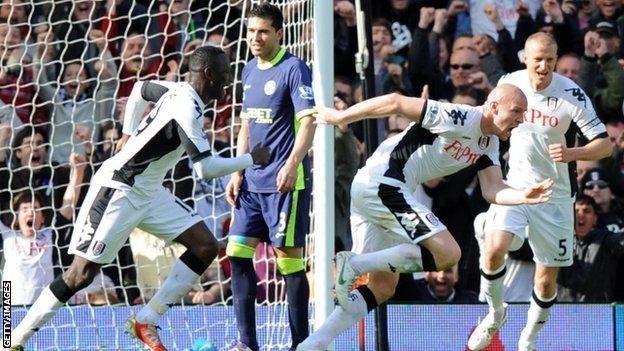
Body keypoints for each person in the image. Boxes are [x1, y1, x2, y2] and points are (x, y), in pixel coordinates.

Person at [8, 46, 271, 351]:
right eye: (224, 76)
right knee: (80, 274)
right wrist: (252, 159)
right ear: (209, 75)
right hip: (119, 190)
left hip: (149, 191)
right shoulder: (186, 108)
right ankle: (12, 339)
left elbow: (139, 89)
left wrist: (128, 133)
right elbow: (205, 169)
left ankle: (146, 320)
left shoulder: (178, 90)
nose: (227, 83)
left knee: (205, 246)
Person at [296, 84, 554, 351]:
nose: (521, 119)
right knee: (448, 255)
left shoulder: (489, 142)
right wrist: (341, 117)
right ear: (494, 106)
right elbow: (396, 101)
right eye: (516, 111)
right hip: (384, 184)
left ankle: (314, 344)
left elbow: (492, 189)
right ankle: (355, 264)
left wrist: (523, 195)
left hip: (376, 189)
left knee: (382, 287)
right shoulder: (460, 116)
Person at [468, 33, 612, 351]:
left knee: (546, 280)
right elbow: (486, 117)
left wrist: (572, 154)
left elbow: (605, 144)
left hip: (556, 198)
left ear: (556, 58)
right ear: (525, 59)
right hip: (516, 187)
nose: (544, 66)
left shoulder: (571, 94)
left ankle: (530, 337)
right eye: (538, 59)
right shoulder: (511, 83)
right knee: (493, 249)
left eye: (550, 59)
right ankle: (494, 315)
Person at [223, 4, 316, 351]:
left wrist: (292, 163)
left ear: (279, 32)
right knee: (236, 252)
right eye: (251, 32)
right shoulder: (248, 70)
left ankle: (301, 344)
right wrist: (237, 170)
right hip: (251, 184)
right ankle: (247, 344)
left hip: (284, 185)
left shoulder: (294, 69)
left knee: (288, 260)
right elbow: (246, 123)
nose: (255, 38)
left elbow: (308, 121)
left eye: (262, 31)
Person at [558, 195, 624, 302]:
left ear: (595, 218)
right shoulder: (556, 241)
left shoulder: (606, 240)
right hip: (564, 313)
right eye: (576, 211)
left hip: (600, 312)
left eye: (586, 211)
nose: (580, 215)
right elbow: (524, 249)